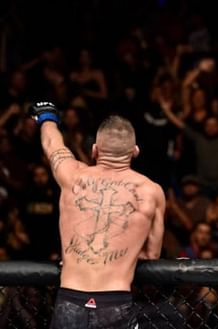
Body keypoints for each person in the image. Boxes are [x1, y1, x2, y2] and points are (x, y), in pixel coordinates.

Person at [28, 102, 165, 329]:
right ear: (135, 151)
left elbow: (52, 144)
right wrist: (120, 253)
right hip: (115, 302)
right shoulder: (151, 192)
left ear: (94, 150)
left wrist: (47, 116)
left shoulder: (72, 176)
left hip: (69, 302)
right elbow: (152, 254)